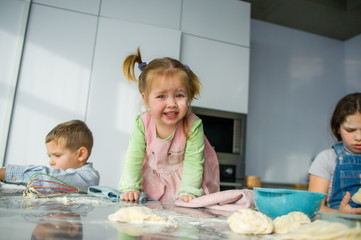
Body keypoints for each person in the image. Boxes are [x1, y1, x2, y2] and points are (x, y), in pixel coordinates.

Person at [119, 48, 220, 203]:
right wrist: (130, 187)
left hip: (187, 181)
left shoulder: (193, 125)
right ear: (146, 100)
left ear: (189, 96)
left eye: (179, 95)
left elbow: (194, 162)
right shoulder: (143, 123)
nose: (172, 103)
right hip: (153, 181)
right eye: (161, 96)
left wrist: (189, 191)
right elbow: (134, 157)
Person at [0, 120, 100, 190]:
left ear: (81, 154)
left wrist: (6, 173)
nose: (51, 161)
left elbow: (50, 178)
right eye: (50, 156)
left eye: (57, 155)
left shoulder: (88, 177)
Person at [308, 92, 361, 214]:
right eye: (350, 130)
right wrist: (340, 214)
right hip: (338, 227)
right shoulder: (326, 159)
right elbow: (314, 209)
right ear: (337, 127)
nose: (358, 137)